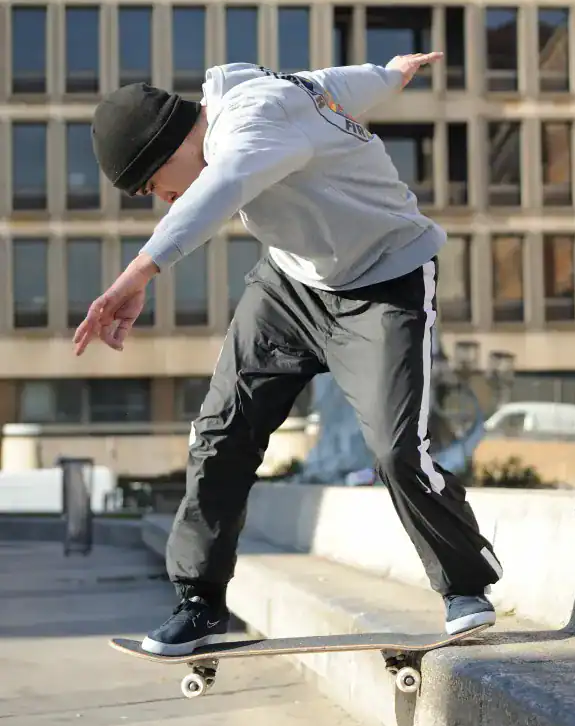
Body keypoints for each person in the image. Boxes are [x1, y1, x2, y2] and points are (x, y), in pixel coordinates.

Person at [75, 55, 503, 656]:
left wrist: (138, 273)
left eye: (155, 186)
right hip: (291, 287)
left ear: (170, 145)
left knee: (395, 448)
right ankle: (199, 602)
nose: (167, 200)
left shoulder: (252, 122)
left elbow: (223, 187)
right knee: (219, 432)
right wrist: (390, 74)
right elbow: (337, 84)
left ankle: (466, 581)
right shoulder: (272, 95)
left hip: (386, 282)